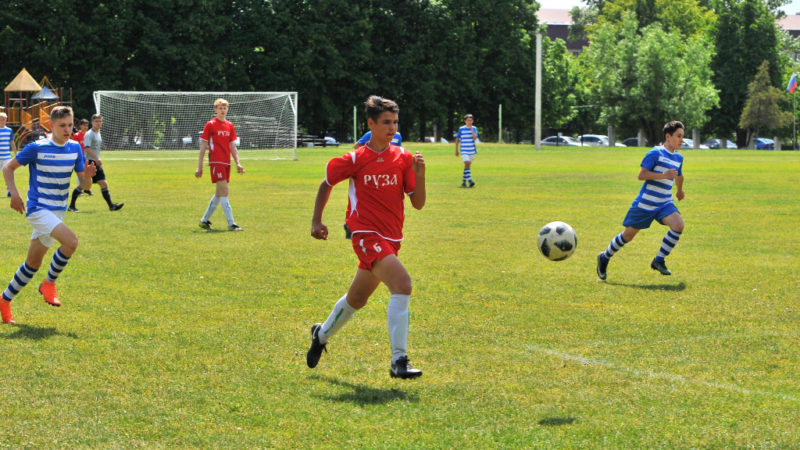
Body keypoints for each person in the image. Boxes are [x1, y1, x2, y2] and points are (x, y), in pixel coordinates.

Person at [307, 95, 426, 379]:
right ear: (371, 123)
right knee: (403, 284)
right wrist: (316, 220)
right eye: (386, 122)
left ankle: (320, 335)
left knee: (356, 300)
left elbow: (418, 203)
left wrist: (420, 175)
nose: (392, 127)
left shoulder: (404, 158)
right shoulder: (356, 158)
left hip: (391, 239)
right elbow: (327, 183)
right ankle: (399, 361)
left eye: (395, 122)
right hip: (364, 234)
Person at [0, 106, 96, 324]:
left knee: (32, 265)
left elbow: (83, 184)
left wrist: (89, 178)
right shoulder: (37, 147)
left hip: (57, 212)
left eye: (70, 125)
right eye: (62, 125)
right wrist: (14, 194)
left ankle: (4, 300)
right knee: (71, 242)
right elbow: (8, 168)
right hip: (38, 209)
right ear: (50, 126)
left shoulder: (75, 148)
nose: (67, 129)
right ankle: (49, 283)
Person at [596, 120, 686, 280]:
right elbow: (641, 175)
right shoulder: (655, 153)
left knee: (678, 225)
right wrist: (663, 176)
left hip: (664, 203)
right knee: (628, 236)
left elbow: (679, 175)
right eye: (678, 136)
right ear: (668, 136)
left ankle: (659, 260)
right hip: (645, 204)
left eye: (682, 136)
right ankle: (604, 257)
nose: (681, 140)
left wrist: (679, 190)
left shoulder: (678, 158)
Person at [343, 130, 404, 238]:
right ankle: (351, 225)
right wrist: (369, 158)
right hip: (371, 170)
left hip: (387, 172)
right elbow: (357, 146)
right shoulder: (371, 134)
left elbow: (397, 152)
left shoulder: (398, 136)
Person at [195, 98, 245, 231]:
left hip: (226, 162)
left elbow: (232, 146)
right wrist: (199, 166)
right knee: (225, 191)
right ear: (215, 110)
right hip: (216, 162)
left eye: (224, 108)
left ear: (227, 109)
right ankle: (231, 224)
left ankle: (204, 220)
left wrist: (238, 163)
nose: (222, 110)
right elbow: (203, 146)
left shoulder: (230, 125)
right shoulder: (210, 124)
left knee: (219, 194)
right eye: (220, 108)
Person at [68, 114, 123, 212]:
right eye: (96, 121)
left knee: (103, 183)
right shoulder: (89, 134)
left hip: (94, 162)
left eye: (100, 121)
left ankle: (111, 206)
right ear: (92, 122)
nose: (98, 123)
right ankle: (72, 206)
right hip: (90, 162)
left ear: (102, 122)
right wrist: (96, 158)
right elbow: (87, 148)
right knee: (83, 185)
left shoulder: (98, 132)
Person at [455, 114, 478, 187]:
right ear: (465, 121)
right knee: (467, 163)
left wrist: (471, 130)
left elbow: (475, 138)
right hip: (464, 149)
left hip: (471, 149)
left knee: (467, 166)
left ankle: (463, 182)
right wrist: (456, 150)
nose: (469, 122)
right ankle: (470, 180)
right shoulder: (461, 129)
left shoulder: (474, 128)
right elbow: (457, 139)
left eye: (471, 120)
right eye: (468, 120)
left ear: (473, 121)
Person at [0, 112, 18, 197]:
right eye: (0, 119)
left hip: (6, 156)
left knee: (8, 173)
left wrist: (15, 153)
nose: (2, 121)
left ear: (6, 120)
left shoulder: (9, 130)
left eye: (3, 119)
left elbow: (12, 142)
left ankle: (9, 191)